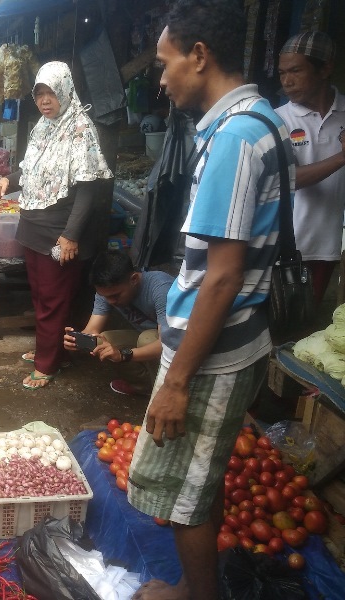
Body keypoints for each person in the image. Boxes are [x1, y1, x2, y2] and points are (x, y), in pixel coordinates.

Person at [125, 2, 293, 599]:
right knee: (202, 476)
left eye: (167, 63)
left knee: (184, 493)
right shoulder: (264, 120)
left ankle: (197, 596)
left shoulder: (236, 139)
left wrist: (176, 381)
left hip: (212, 350)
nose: (161, 78)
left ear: (201, 56)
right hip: (234, 340)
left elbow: (221, 278)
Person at [0, 62, 113, 389]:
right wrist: (6, 180)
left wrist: (70, 236)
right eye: (40, 93)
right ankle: (53, 350)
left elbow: (88, 187)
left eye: (51, 93)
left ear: (66, 91)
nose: (45, 100)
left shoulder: (80, 129)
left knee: (55, 299)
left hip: (59, 231)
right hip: (32, 227)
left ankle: (48, 364)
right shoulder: (43, 126)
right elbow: (31, 171)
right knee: (43, 297)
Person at [275, 31, 345, 305]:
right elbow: (287, 179)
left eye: (295, 71)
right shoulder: (278, 120)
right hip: (289, 247)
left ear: (325, 68)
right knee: (287, 324)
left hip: (331, 244)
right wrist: (340, 158)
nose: (286, 81)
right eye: (282, 73)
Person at [63, 250, 173, 396]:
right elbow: (93, 330)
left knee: (146, 338)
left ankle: (164, 393)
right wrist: (77, 341)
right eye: (105, 296)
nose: (111, 301)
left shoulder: (161, 288)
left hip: (179, 346)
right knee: (103, 341)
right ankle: (143, 386)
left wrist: (123, 354)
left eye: (115, 296)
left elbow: (167, 344)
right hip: (150, 338)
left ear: (134, 279)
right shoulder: (107, 290)